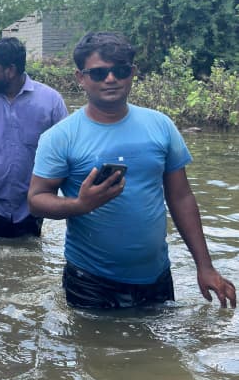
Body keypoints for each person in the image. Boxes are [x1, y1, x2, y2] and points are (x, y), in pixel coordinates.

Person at [28, 31, 236, 311]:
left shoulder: (160, 126)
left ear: (133, 73)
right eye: (99, 73)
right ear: (81, 78)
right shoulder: (60, 137)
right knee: (94, 353)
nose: (111, 79)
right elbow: (36, 200)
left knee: (160, 354)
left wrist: (205, 266)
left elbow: (181, 198)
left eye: (120, 70)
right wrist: (80, 204)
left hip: (156, 276)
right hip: (90, 280)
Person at [0, 36, 67, 238]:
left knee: (28, 258)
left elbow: (66, 152)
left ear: (10, 70)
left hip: (31, 206)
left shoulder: (51, 101)